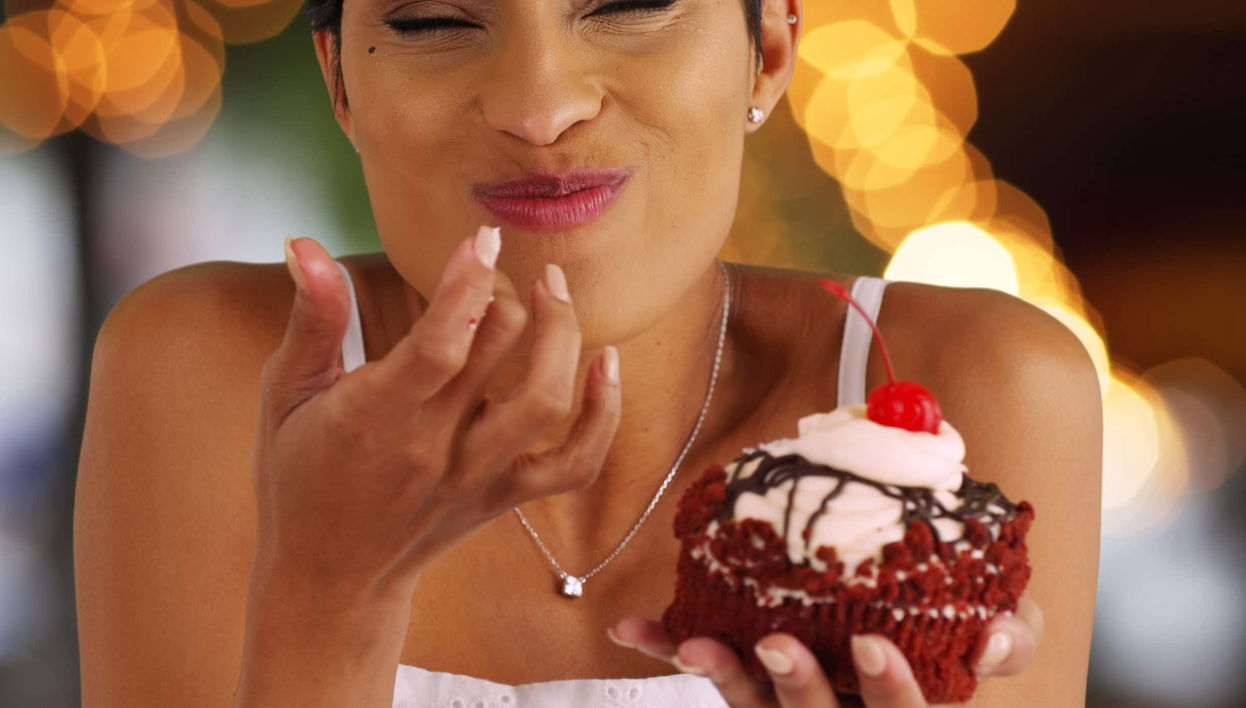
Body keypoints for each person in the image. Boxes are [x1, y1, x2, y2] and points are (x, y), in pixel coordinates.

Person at [73, 0, 1101, 706]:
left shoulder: (980, 388)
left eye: (630, 0)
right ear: (340, 81)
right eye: (434, 18)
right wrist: (326, 592)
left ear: (771, 49)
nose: (540, 106)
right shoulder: (207, 370)